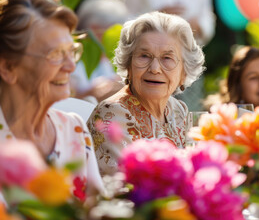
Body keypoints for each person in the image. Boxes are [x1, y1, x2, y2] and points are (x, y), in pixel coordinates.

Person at [0, 0, 104, 195]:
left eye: (71, 51)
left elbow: (101, 209)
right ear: (8, 67)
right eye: (55, 54)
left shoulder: (75, 128)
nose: (71, 66)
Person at [87, 11, 205, 175]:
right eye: (144, 56)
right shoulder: (111, 114)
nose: (155, 68)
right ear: (128, 65)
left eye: (167, 58)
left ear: (184, 72)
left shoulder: (178, 109)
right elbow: (125, 186)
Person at [71, 0, 127, 103]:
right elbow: (65, 100)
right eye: (113, 31)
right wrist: (91, 93)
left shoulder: (113, 60)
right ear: (94, 29)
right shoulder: (74, 60)